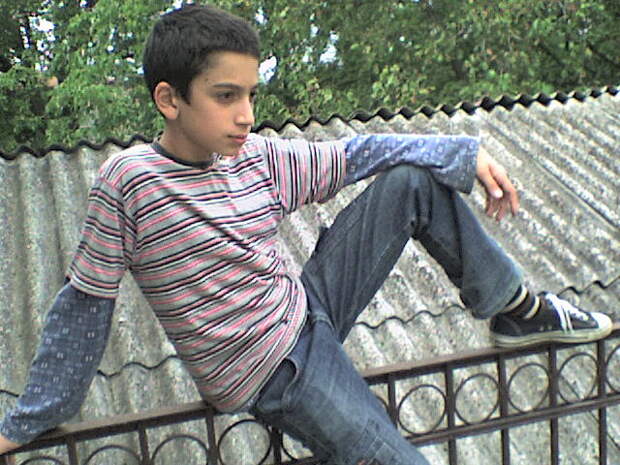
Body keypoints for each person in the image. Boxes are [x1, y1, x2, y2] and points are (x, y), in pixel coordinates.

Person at [0, 4, 612, 464]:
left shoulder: (254, 157)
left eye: (250, 95)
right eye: (225, 96)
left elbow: (359, 154)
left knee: (410, 183)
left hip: (307, 306)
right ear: (169, 99)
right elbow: (86, 304)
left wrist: (464, 154)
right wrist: (28, 422)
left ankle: (517, 309)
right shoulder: (130, 183)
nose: (245, 114)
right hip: (275, 371)